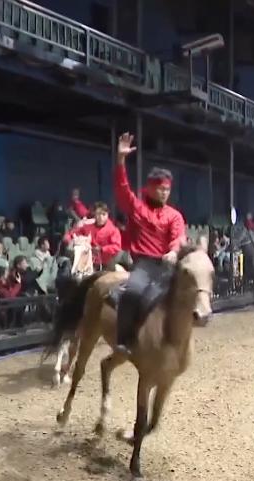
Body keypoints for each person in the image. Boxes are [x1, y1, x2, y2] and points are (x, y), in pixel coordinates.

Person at [112, 133, 186, 355]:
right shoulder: (137, 208)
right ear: (150, 188)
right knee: (133, 292)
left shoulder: (174, 215)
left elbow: (178, 236)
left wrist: (173, 251)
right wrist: (121, 160)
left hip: (167, 265)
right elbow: (122, 189)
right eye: (161, 188)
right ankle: (124, 340)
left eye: (167, 189)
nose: (164, 193)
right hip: (144, 265)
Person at [63, 202, 122, 267]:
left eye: (104, 214)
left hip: (106, 263)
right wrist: (68, 238)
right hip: (89, 262)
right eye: (98, 214)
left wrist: (102, 249)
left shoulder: (113, 230)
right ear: (94, 214)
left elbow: (117, 247)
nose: (101, 217)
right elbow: (73, 233)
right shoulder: (88, 227)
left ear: (108, 215)